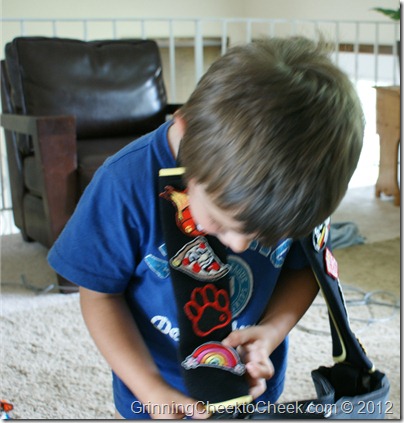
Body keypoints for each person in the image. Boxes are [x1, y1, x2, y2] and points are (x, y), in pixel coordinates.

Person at [48, 35, 364, 419]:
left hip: (248, 389)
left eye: (265, 237)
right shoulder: (122, 184)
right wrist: (149, 388)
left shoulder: (298, 189)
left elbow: (304, 271)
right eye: (222, 221)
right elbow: (99, 295)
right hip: (153, 387)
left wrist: (272, 332)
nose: (239, 244)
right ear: (189, 134)